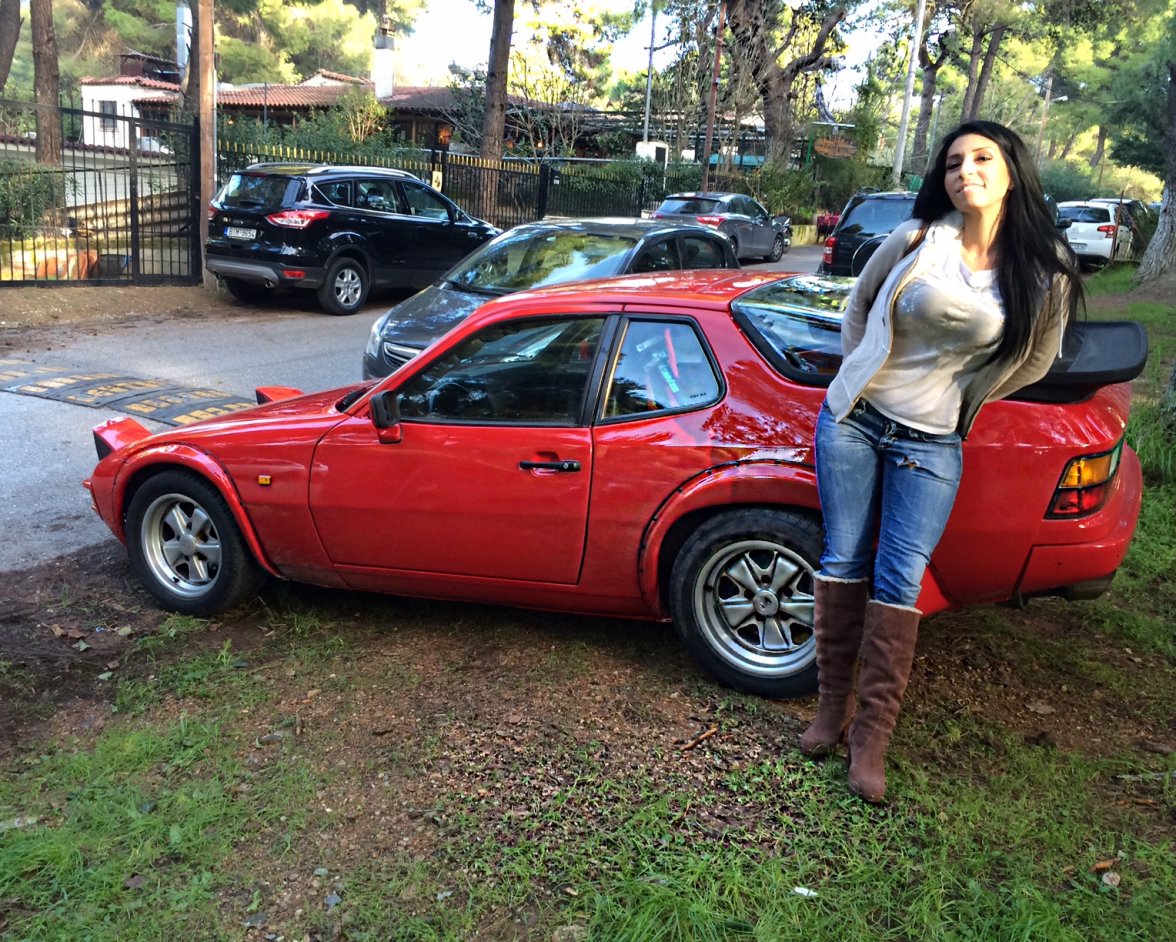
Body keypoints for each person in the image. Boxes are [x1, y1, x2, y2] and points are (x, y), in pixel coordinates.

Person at [799, 121, 1084, 802]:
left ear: (1012, 170)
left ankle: (872, 740)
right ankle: (831, 708)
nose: (965, 172)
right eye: (953, 162)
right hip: (854, 424)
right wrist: (858, 372)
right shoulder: (919, 238)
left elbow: (1037, 358)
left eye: (982, 158)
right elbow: (859, 304)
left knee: (900, 580)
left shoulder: (1045, 273)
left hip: (932, 440)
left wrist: (969, 393)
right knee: (844, 561)